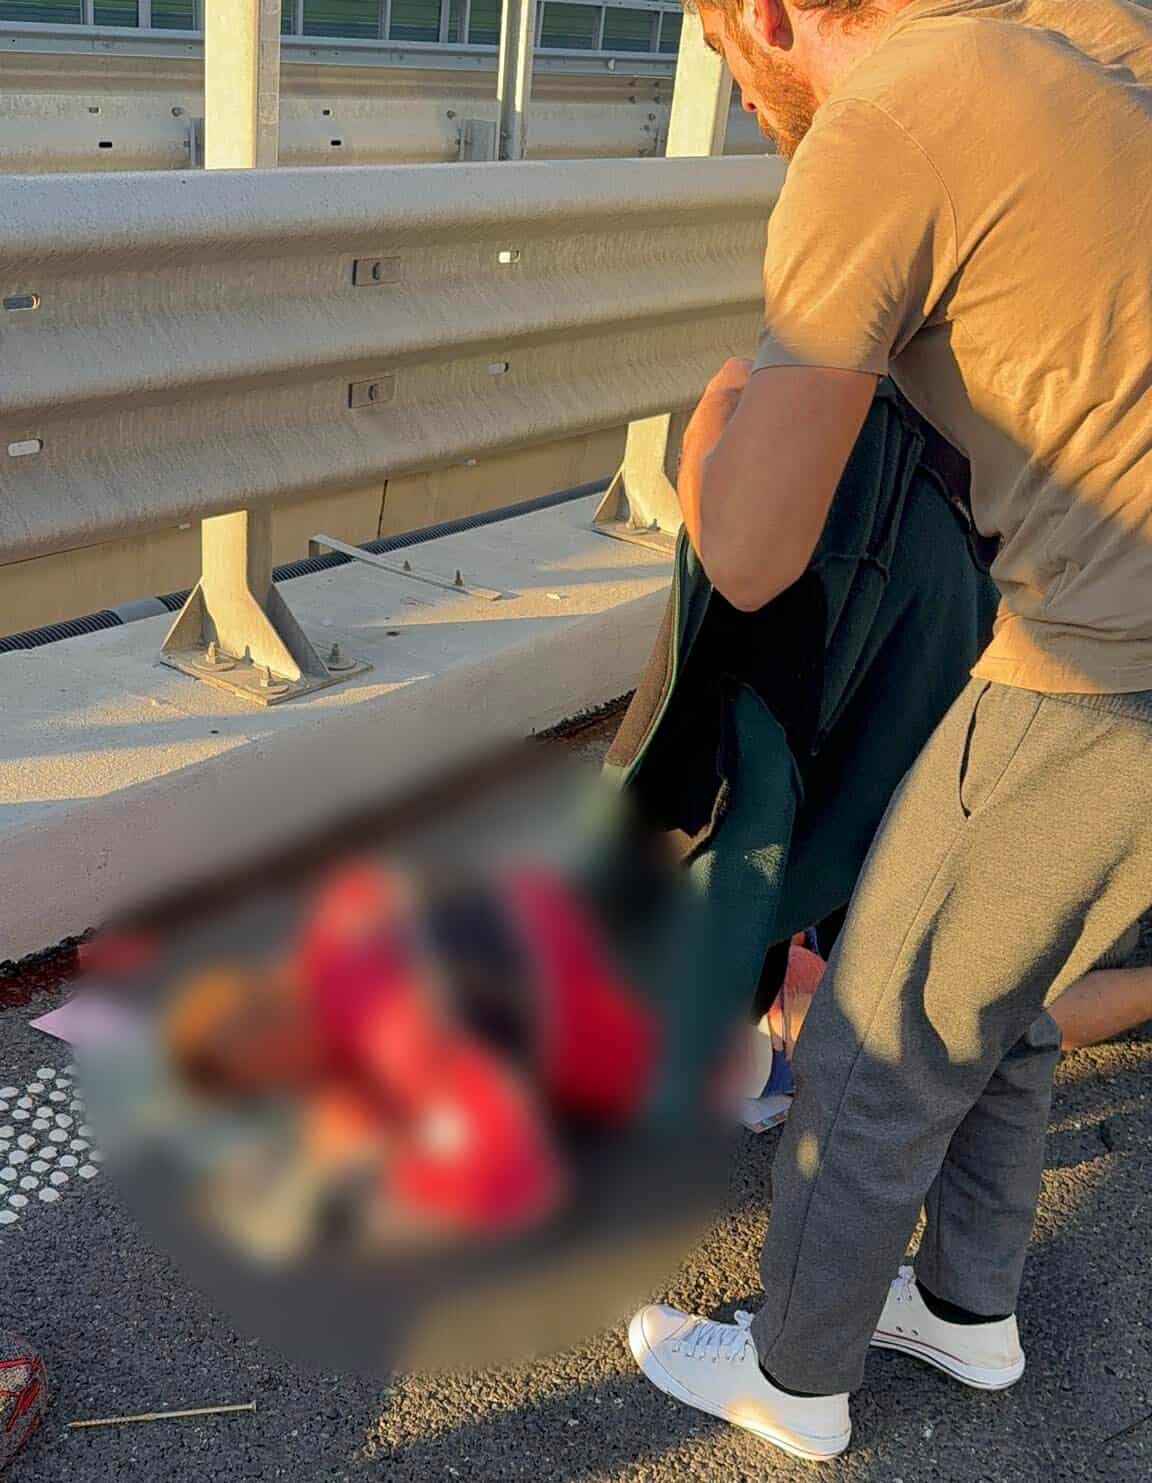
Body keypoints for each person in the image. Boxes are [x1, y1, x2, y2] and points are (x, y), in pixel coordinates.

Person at [625, 0, 1152, 1461]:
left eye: (727, 59)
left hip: (1110, 657)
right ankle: (968, 1308)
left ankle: (792, 1377)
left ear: (767, 12)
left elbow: (752, 556)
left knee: (883, 1022)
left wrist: (713, 429)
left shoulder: (886, 124)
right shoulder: (1078, 42)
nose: (746, 103)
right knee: (999, 983)